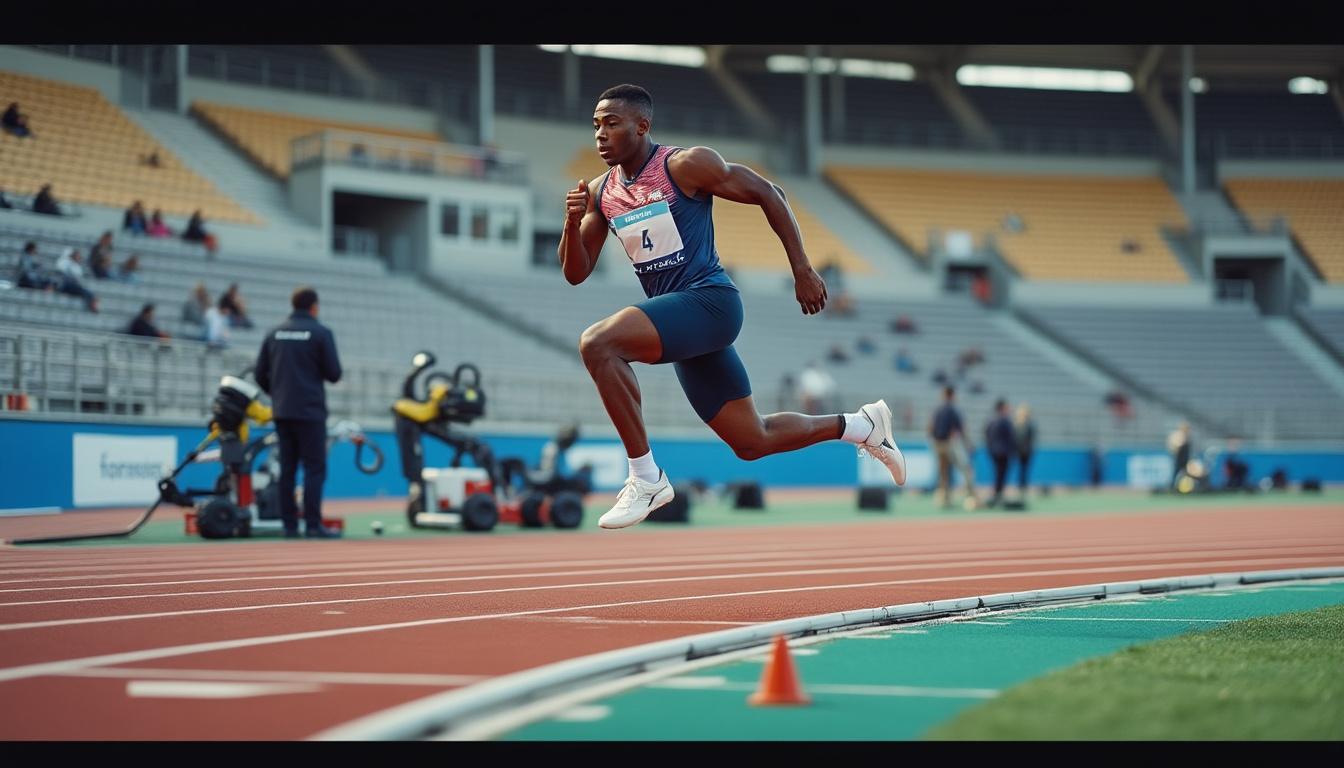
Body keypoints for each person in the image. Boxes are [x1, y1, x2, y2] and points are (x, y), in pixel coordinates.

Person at [559, 84, 905, 529]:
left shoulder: (684, 165)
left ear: (642, 126)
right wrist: (571, 223)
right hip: (683, 322)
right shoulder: (600, 192)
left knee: (598, 344)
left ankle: (645, 478)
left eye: (611, 123)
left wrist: (802, 269)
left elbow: (770, 192)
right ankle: (861, 425)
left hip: (710, 302)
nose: (600, 135)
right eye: (595, 126)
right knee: (751, 440)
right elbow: (575, 272)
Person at [253, 287, 343, 538]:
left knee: (287, 469)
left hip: (283, 411)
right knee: (314, 468)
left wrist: (278, 394)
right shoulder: (321, 333)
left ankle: (289, 526)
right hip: (310, 411)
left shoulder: (274, 333)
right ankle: (313, 525)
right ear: (314, 307)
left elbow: (259, 374)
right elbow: (334, 374)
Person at [928, 386, 976, 510]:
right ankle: (971, 495)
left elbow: (930, 428)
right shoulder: (953, 409)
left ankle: (945, 499)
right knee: (965, 468)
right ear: (952, 395)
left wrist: (934, 441)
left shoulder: (937, 410)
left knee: (943, 473)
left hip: (938, 444)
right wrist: (968, 444)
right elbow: (961, 428)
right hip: (949, 444)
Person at [984, 398, 1015, 508]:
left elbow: (986, 435)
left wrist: (990, 448)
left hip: (994, 451)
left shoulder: (990, 420)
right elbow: (1011, 437)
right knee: (1001, 474)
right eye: (1007, 407)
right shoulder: (1005, 421)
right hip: (1003, 452)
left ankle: (997, 494)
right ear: (1002, 408)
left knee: (997, 473)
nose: (1009, 409)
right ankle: (998, 494)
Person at [54, 248, 98, 312]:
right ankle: (91, 304)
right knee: (85, 292)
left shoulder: (77, 266)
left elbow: (78, 279)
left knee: (86, 292)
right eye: (77, 256)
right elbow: (61, 272)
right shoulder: (65, 262)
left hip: (74, 286)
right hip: (66, 284)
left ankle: (91, 303)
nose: (79, 258)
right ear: (73, 256)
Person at [1014, 403, 1037, 494]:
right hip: (1022, 451)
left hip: (1025, 451)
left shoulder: (1029, 425)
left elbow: (1031, 438)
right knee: (1022, 469)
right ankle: (1021, 486)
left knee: (1024, 469)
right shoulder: (1018, 425)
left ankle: (1023, 486)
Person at [1167, 421, 1192, 490]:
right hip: (1179, 458)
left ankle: (1185, 487)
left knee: (1186, 474)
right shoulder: (1178, 435)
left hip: (1185, 458)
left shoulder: (1187, 436)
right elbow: (1174, 446)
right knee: (1176, 472)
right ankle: (1173, 487)